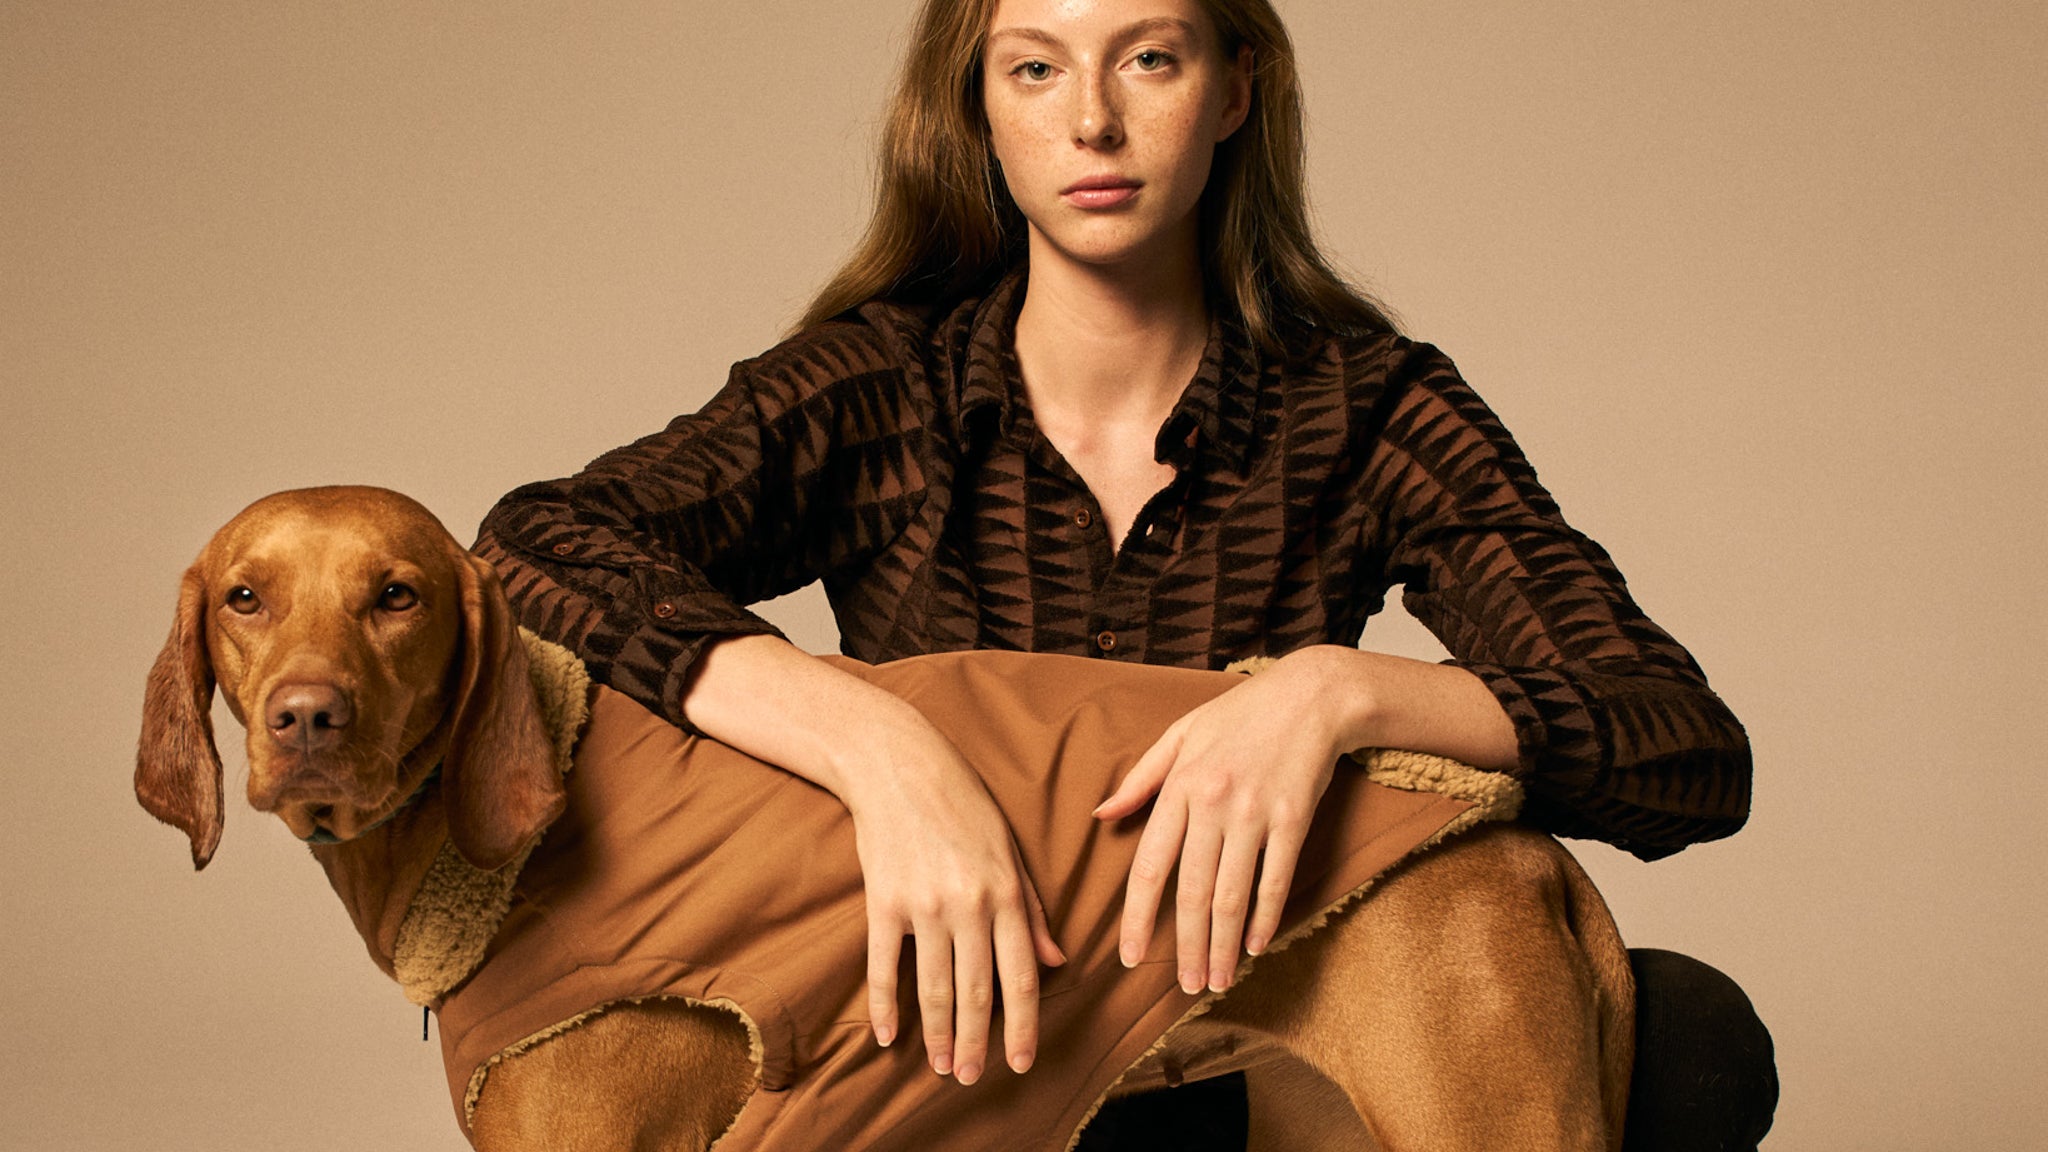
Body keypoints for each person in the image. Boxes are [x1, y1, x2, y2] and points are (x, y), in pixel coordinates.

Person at [475, 0, 1777, 1146]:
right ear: (978, 110)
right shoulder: (882, 385)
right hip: (965, 1048)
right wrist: (876, 746)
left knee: (1687, 1038)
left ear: (1235, 88)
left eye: (1148, 58)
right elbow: (535, 546)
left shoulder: (1365, 406)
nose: (1091, 121)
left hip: (1253, 1043)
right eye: (1035, 68)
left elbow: (1680, 744)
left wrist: (1333, 694)